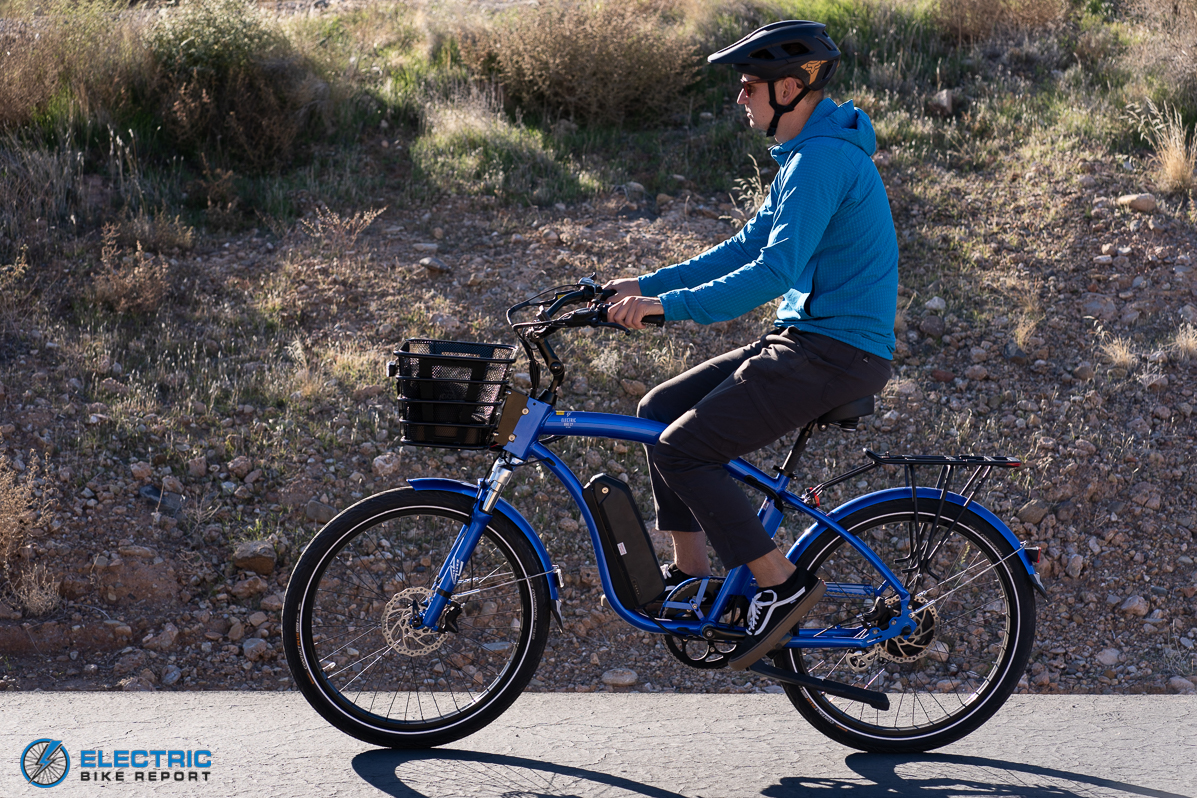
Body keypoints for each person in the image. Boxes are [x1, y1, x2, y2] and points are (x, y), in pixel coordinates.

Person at [604, 20, 899, 670]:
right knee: (657, 411)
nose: (739, 99)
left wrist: (665, 309)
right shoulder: (806, 155)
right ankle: (692, 577)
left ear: (790, 87)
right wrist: (642, 283)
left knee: (684, 450)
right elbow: (743, 247)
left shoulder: (822, 160)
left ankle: (782, 584)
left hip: (833, 352)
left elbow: (773, 272)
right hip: (810, 342)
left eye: (748, 87)